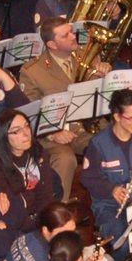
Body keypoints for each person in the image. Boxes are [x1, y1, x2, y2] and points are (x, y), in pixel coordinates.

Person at [18, 17, 103, 200]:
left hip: (87, 128)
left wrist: (107, 76)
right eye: (66, 35)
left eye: (72, 31)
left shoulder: (89, 56)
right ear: (52, 44)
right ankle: (58, 213)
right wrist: (52, 133)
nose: (74, 37)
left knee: (106, 145)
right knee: (65, 159)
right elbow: (29, 115)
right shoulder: (32, 71)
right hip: (52, 135)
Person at [79, 88, 132, 242]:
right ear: (117, 117)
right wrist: (111, 189)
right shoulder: (99, 144)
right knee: (123, 240)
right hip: (110, 206)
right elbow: (88, 178)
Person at [0, 108, 62, 229]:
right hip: (17, 224)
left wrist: (44, 222)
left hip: (40, 217)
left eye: (27, 126)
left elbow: (46, 193)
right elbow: (11, 208)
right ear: (3, 136)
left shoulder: (37, 151)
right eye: (16, 131)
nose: (26, 133)